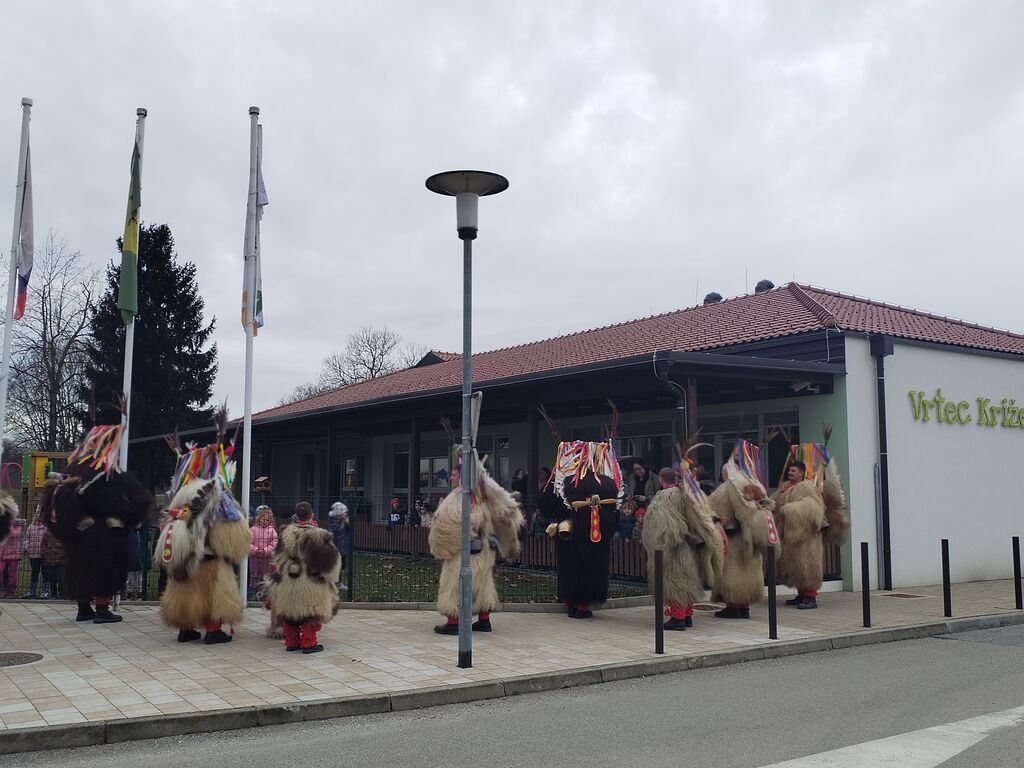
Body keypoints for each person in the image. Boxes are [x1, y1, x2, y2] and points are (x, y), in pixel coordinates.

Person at [40, 419, 152, 624]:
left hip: (77, 532)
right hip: (105, 533)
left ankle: (84, 608)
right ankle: (102, 608)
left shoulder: (72, 468)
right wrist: (127, 520)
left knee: (79, 567)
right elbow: (134, 499)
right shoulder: (108, 472)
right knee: (107, 567)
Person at [157, 409, 252, 643]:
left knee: (186, 593)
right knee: (213, 595)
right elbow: (231, 537)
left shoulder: (181, 495)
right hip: (211, 561)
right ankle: (212, 630)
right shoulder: (218, 497)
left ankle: (186, 629)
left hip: (184, 559)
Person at [430, 447, 524, 634]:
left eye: (455, 474)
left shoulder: (463, 497)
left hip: (465, 549)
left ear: (463, 475)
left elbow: (455, 522)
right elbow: (505, 512)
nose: (451, 478)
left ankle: (454, 621)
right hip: (485, 549)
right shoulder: (482, 497)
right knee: (482, 582)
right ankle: (483, 620)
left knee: (455, 582)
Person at [641, 460, 725, 631]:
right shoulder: (690, 494)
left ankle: (677, 618)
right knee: (688, 581)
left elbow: (661, 525)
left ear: (661, 481)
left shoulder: (664, 497)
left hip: (676, 547)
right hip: (693, 546)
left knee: (675, 581)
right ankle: (686, 615)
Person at [546, 440, 623, 619]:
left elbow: (554, 504)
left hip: (571, 531)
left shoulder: (568, 481)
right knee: (590, 568)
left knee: (572, 567)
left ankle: (572, 603)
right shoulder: (608, 483)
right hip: (594, 534)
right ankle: (582, 606)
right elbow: (613, 509)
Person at [772, 446, 850, 610]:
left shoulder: (807, 487)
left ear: (801, 473)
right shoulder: (785, 487)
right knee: (796, 565)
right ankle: (801, 595)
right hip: (790, 535)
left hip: (806, 536)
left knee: (807, 564)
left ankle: (810, 597)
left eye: (793, 471)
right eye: (790, 470)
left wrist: (791, 509)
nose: (790, 473)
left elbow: (813, 507)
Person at [707, 442, 778, 619]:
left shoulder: (732, 486)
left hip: (735, 539)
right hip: (745, 538)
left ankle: (734, 606)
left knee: (734, 571)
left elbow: (743, 511)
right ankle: (743, 605)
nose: (723, 472)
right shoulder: (751, 484)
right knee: (747, 569)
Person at [269, 503, 341, 653]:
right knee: (310, 612)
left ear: (296, 515)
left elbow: (277, 558)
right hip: (311, 580)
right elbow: (331, 562)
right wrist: (330, 578)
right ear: (312, 515)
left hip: (289, 579)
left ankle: (292, 642)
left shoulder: (285, 533)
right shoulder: (320, 536)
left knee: (290, 612)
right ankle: (309, 643)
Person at [249, 506, 278, 599]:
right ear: (259, 519)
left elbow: (274, 543)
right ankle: (252, 594)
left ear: (270, 521)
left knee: (265, 576)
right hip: (254, 558)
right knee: (254, 575)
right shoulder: (253, 530)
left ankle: (265, 595)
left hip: (267, 558)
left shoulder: (272, 531)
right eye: (263, 519)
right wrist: (256, 550)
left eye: (267, 520)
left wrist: (265, 550)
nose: (264, 521)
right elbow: (248, 542)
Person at [0, 515, 22, 598]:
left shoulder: (17, 524)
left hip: (14, 552)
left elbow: (14, 534)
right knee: (0, 571)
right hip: (2, 552)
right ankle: (2, 590)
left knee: (12, 573)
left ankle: (11, 591)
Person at [40, 526, 64, 600]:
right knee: (52, 579)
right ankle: (53, 594)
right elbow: (43, 545)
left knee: (61, 578)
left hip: (61, 561)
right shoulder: (47, 532)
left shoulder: (64, 532)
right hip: (50, 560)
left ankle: (62, 595)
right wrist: (45, 554)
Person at [327, 502, 349, 569]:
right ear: (339, 513)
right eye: (344, 512)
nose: (346, 514)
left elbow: (348, 532)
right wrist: (342, 524)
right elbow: (334, 532)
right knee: (336, 566)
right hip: (336, 548)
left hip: (342, 548)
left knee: (342, 566)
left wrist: (346, 524)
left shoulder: (343, 521)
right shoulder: (333, 521)